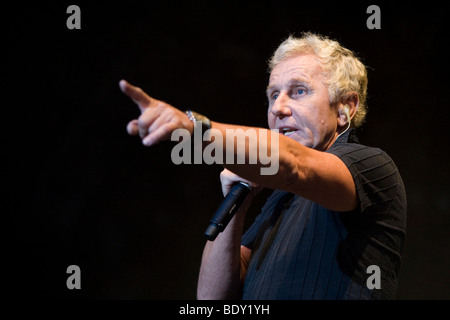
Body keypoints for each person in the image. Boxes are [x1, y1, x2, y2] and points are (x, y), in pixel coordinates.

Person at [119, 32, 407, 300]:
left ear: (345, 108)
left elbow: (292, 164)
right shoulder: (279, 199)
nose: (277, 108)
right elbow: (210, 299)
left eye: (299, 91)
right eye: (273, 95)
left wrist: (195, 130)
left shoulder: (371, 166)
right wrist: (239, 205)